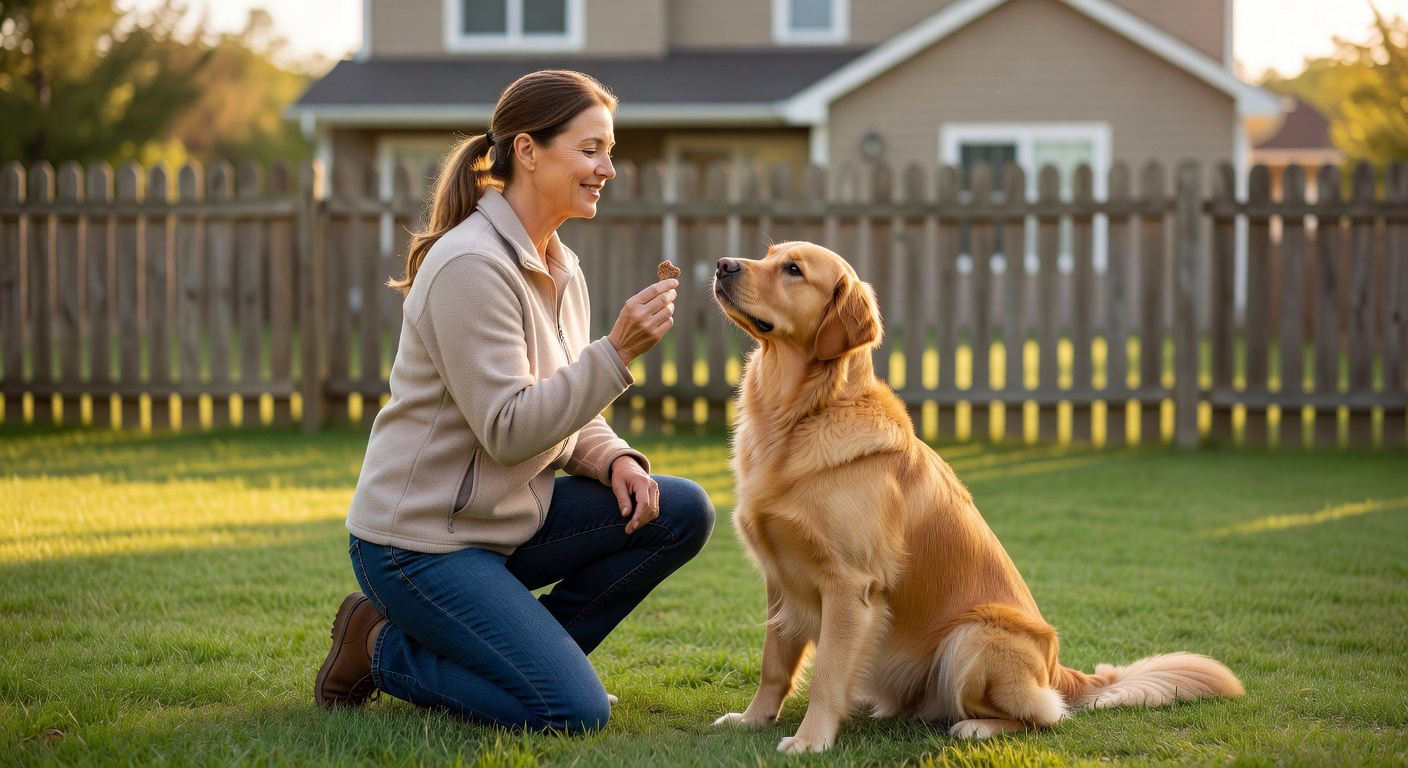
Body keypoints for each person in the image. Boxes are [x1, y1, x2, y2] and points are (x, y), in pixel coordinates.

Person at [313, 70, 715, 734]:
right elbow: (508, 429)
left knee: (679, 510)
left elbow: (564, 403)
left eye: (607, 151)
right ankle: (378, 646)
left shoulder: (560, 265)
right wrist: (615, 353)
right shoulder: (471, 264)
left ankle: (529, 664)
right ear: (528, 151)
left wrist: (614, 458)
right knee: (571, 712)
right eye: (590, 150)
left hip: (504, 522)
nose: (607, 168)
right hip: (420, 546)